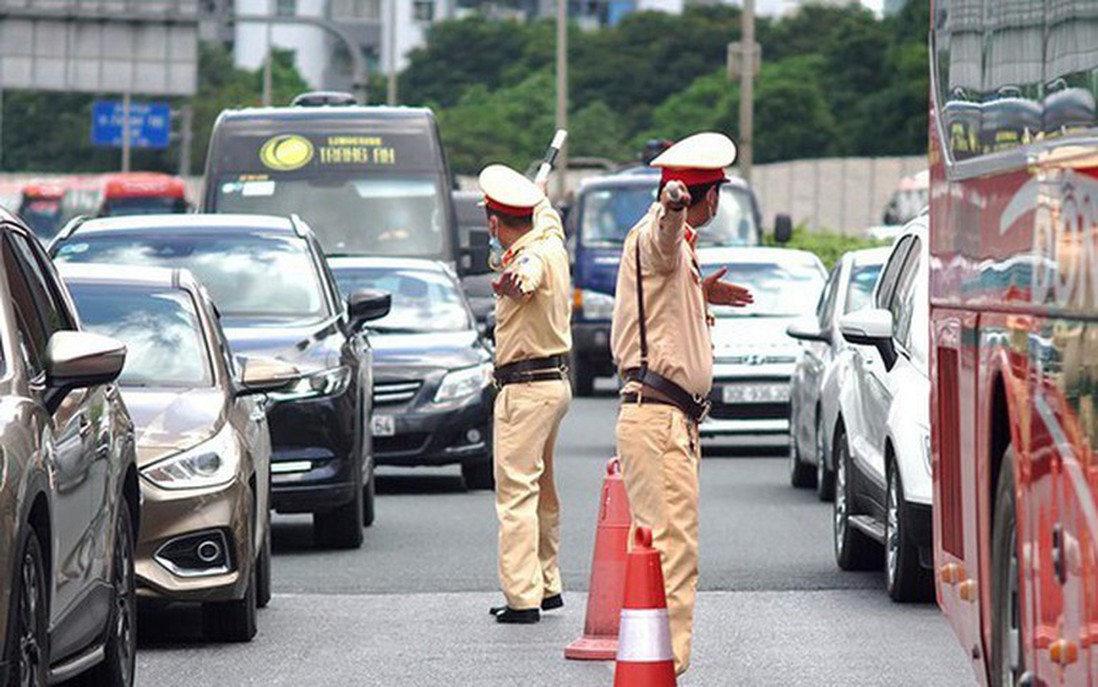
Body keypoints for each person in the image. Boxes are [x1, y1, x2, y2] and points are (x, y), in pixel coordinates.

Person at [609, 132, 754, 674]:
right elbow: (661, 239)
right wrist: (672, 205)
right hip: (659, 418)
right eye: (715, 193)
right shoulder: (660, 233)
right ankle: (662, 668)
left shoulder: (681, 255)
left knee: (659, 546)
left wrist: (701, 291)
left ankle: (654, 664)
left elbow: (665, 275)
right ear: (708, 196)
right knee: (672, 550)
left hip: (666, 419)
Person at [479, 164, 572, 624]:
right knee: (542, 491)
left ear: (495, 223)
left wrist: (513, 281)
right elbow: (547, 216)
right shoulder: (550, 239)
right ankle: (547, 583)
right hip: (555, 385)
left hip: (526, 388)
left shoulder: (528, 258)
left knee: (516, 494)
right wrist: (539, 194)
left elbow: (524, 277)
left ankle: (522, 597)